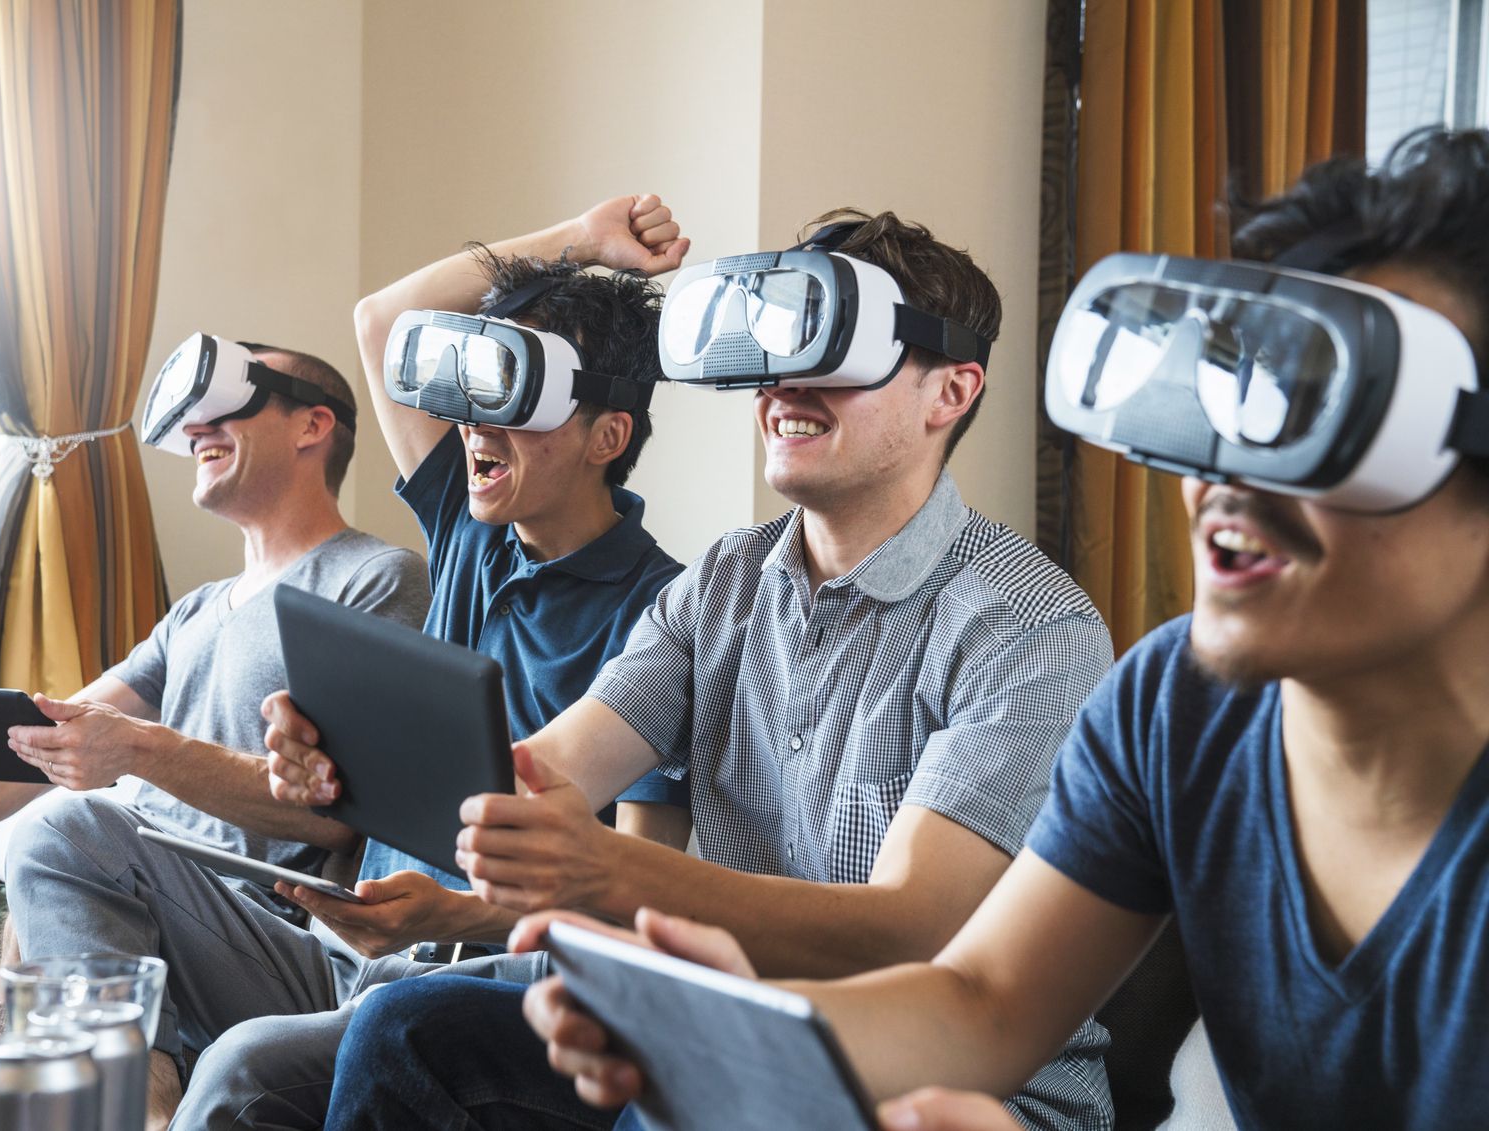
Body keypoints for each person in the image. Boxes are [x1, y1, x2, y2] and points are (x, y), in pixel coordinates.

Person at [513, 128, 1489, 1131]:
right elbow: (982, 1000)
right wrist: (727, 1026)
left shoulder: (1030, 625)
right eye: (1238, 398)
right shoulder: (1175, 706)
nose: (1226, 482)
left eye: (1344, 417)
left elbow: (919, 934)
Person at [271, 210, 1120, 1130]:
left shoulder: (1028, 625)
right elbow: (540, 774)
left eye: (838, 349)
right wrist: (353, 759)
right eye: (781, 343)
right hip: (723, 1033)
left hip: (952, 1087)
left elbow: (909, 927)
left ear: (949, 393)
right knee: (405, 1029)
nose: (786, 383)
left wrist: (607, 870)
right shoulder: (725, 580)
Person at [16, 196, 697, 1131]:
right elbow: (384, 323)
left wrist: (451, 915)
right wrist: (579, 241)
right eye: (469, 391)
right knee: (67, 833)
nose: (470, 425)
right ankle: (140, 1093)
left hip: (485, 970)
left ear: (605, 437)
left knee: (248, 1067)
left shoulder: (664, 615)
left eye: (514, 401)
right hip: (346, 937)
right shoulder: (470, 527)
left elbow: (638, 899)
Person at [0, 343, 429, 1123]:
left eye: (228, 403)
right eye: (190, 416)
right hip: (100, 897)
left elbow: (344, 808)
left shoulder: (375, 577)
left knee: (71, 827)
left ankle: (132, 1086)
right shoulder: (196, 611)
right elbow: (33, 741)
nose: (198, 426)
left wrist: (139, 751)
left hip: (242, 923)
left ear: (313, 425)